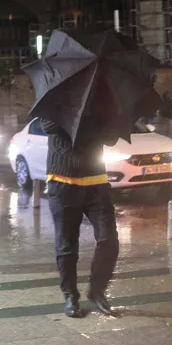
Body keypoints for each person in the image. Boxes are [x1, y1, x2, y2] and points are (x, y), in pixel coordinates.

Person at [40, 118, 119, 318]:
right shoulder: (59, 99)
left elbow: (111, 138)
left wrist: (101, 115)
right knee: (66, 245)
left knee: (109, 239)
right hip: (62, 183)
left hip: (97, 184)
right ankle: (70, 296)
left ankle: (97, 290)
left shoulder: (101, 104)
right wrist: (74, 112)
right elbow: (48, 126)